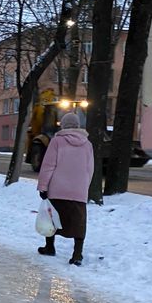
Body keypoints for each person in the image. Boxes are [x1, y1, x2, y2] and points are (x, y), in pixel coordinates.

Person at [36, 112, 94, 266]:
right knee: (79, 222)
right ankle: (77, 254)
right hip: (78, 191)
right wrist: (84, 186)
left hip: (57, 189)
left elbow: (48, 166)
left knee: (52, 218)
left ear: (62, 124)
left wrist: (43, 187)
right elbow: (90, 169)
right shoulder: (88, 145)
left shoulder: (57, 142)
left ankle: (49, 247)